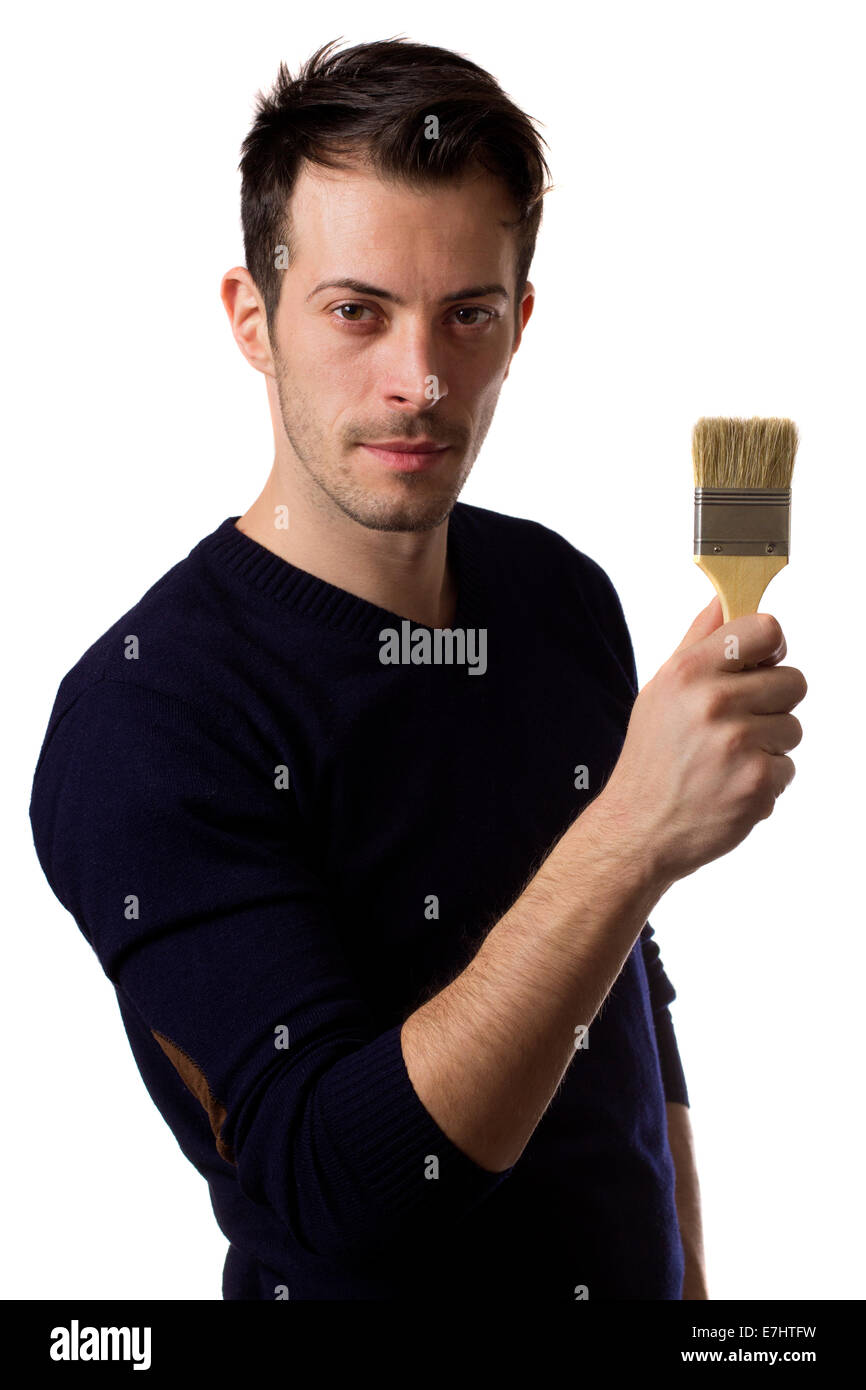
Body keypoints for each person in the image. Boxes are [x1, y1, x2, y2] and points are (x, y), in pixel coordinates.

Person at [29, 38, 806, 1301]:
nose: (422, 380)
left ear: (521, 324)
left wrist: (691, 1283)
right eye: (356, 311)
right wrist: (627, 833)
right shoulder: (146, 713)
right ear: (251, 318)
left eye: (468, 313)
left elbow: (624, 994)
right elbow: (333, 1197)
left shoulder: (558, 597)